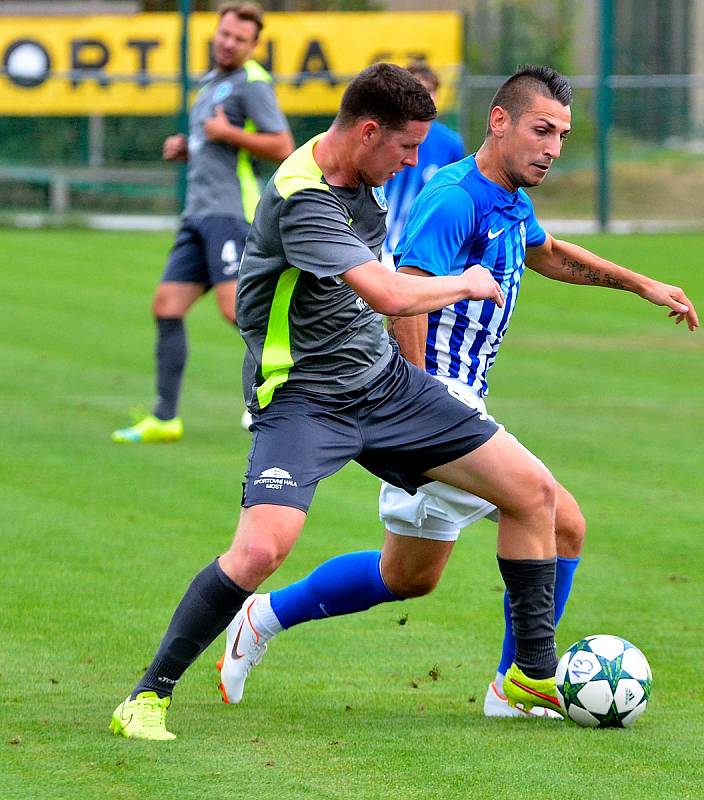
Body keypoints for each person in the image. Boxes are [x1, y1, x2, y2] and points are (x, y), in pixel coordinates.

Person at [216, 65, 699, 718]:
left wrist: (641, 283)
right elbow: (405, 298)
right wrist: (424, 401)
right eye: (541, 130)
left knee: (409, 576)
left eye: (561, 134)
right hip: (432, 405)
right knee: (558, 518)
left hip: (448, 405)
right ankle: (519, 684)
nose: (553, 147)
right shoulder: (454, 198)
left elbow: (546, 251)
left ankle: (264, 617)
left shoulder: (506, 197)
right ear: (499, 121)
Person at [110, 63, 570, 741]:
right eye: (406, 147)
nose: (414, 161)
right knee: (263, 548)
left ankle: (533, 671)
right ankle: (147, 696)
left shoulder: (369, 179)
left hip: (384, 386)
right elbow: (388, 293)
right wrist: (463, 282)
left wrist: (423, 387)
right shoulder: (305, 197)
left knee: (533, 492)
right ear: (366, 132)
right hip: (303, 401)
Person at [111, 2, 293, 444]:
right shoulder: (212, 83)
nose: (228, 42)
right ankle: (165, 418)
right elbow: (216, 146)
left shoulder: (252, 84)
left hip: (230, 213)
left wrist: (227, 135)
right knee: (166, 306)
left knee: (239, 311)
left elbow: (282, 144)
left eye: (239, 38)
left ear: (253, 46)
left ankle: (279, 394)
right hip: (198, 214)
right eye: (224, 33)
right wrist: (189, 148)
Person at [381, 61, 465, 267]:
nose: (425, 97)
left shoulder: (450, 143)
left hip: (422, 252)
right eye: (417, 90)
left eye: (429, 90)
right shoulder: (383, 134)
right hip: (379, 246)